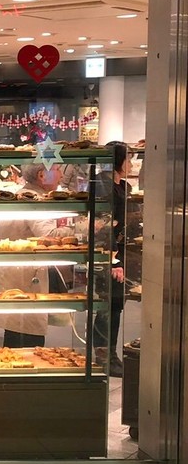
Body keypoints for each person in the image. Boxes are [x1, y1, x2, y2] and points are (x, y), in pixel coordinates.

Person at [0, 161, 66, 349]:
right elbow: (49, 235)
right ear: (41, 175)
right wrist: (82, 230)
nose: (61, 175)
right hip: (26, 277)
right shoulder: (34, 201)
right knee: (28, 340)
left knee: (15, 334)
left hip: (13, 274)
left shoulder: (20, 195)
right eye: (57, 169)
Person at [93, 141, 129, 376]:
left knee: (116, 304)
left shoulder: (122, 186)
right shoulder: (102, 185)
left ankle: (110, 353)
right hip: (108, 252)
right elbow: (102, 223)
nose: (130, 163)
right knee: (108, 305)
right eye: (128, 158)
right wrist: (114, 260)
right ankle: (105, 355)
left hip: (122, 251)